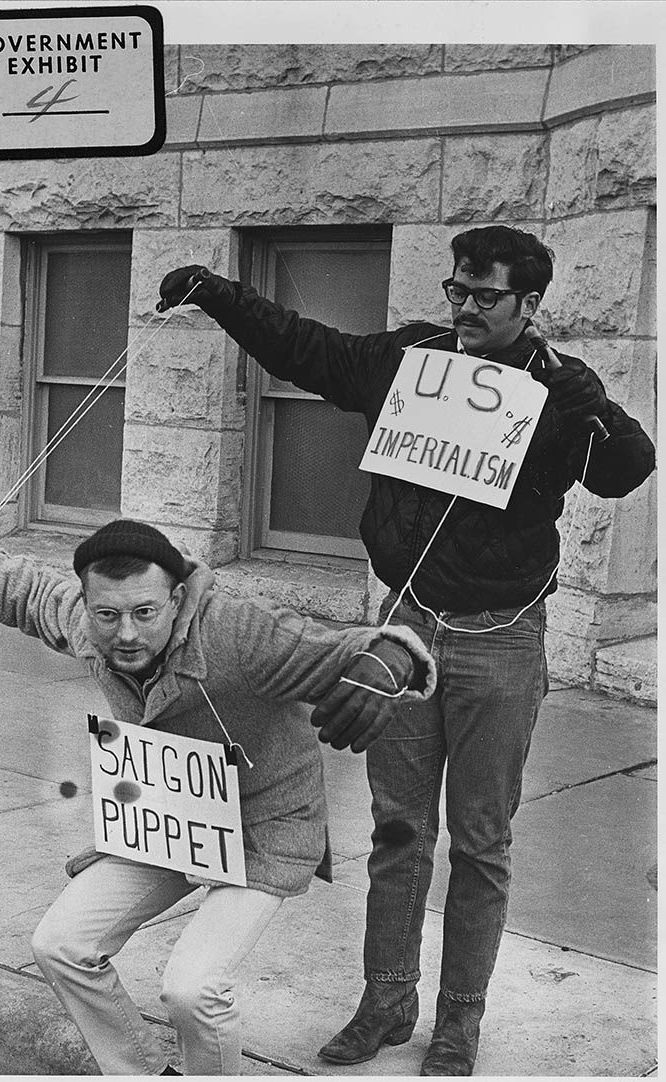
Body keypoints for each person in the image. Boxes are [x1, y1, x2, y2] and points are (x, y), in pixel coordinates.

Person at [157, 225, 656, 1076]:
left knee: (481, 839)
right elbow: (310, 351)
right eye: (456, 290)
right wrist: (218, 292)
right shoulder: (413, 360)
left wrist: (594, 412)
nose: (463, 308)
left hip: (502, 640)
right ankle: (385, 1003)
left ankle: (461, 1021)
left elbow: (624, 469)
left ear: (529, 304)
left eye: (484, 296)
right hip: (405, 628)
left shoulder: (556, 389)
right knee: (396, 828)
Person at [0, 517, 436, 1075]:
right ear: (88, 605)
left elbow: (347, 648)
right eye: (109, 614)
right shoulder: (85, 622)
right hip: (164, 821)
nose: (126, 633)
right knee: (61, 944)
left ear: (175, 600)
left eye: (145, 613)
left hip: (261, 828)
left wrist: (388, 662)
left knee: (192, 989)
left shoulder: (239, 632)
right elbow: (25, 591)